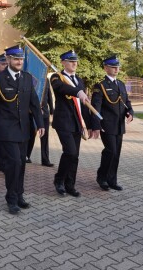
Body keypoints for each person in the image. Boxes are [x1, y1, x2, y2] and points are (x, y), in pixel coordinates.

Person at [0, 45, 44, 215]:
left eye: (21, 59)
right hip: (6, 129)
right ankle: (11, 198)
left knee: (22, 164)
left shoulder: (26, 78)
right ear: (8, 59)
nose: (19, 62)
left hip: (24, 129)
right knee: (14, 163)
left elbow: (34, 103)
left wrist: (40, 124)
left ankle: (19, 195)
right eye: (16, 59)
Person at [50, 50, 92, 197]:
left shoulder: (79, 80)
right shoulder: (57, 77)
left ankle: (70, 185)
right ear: (63, 62)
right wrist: (77, 92)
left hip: (76, 123)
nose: (74, 63)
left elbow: (83, 105)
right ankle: (59, 180)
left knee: (75, 156)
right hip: (63, 122)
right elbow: (61, 88)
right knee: (70, 152)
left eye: (75, 61)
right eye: (70, 61)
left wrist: (90, 125)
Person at [91, 55, 134, 191]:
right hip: (107, 125)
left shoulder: (121, 84)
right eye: (113, 67)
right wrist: (96, 125)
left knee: (116, 153)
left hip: (119, 125)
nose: (116, 69)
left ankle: (112, 180)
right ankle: (102, 178)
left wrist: (130, 113)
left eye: (117, 67)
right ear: (106, 68)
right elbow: (95, 107)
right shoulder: (101, 86)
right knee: (111, 151)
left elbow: (126, 102)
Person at [26, 78, 54, 167]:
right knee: (31, 135)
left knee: (45, 137)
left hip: (44, 112)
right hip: (31, 112)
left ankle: (45, 159)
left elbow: (49, 95)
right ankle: (26, 156)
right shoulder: (32, 77)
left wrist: (52, 110)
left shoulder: (46, 79)